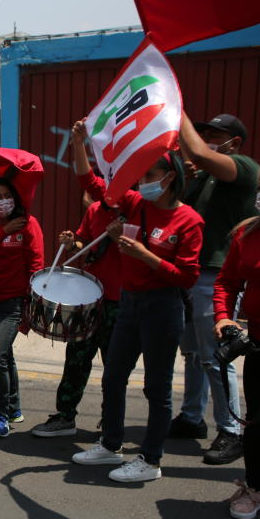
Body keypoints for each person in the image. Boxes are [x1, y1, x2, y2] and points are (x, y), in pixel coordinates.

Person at [73, 152, 203, 482]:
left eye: (148, 176)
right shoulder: (136, 205)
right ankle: (110, 444)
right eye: (141, 177)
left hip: (162, 307)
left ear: (169, 177)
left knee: (156, 388)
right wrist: (77, 142)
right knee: (113, 376)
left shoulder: (189, 221)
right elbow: (91, 182)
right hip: (130, 303)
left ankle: (150, 459)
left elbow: (187, 277)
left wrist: (144, 255)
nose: (142, 183)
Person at [170, 113, 259, 465]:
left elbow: (200, 153)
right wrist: (185, 178)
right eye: (204, 132)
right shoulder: (202, 176)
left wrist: (177, 113)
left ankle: (231, 430)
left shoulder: (244, 167)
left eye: (214, 134)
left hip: (216, 275)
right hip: (191, 274)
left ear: (234, 143)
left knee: (216, 354)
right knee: (193, 353)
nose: (205, 138)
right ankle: (192, 417)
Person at [32, 120, 122, 437]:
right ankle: (65, 416)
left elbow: (85, 175)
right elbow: (85, 244)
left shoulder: (133, 208)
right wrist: (74, 243)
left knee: (115, 368)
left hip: (119, 302)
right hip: (91, 300)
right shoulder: (96, 210)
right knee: (76, 360)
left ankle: (112, 420)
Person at [213, 159, 260, 519]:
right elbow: (227, 282)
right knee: (259, 425)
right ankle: (255, 489)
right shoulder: (246, 234)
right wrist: (223, 316)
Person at [0, 177, 44, 437]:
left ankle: (1, 414)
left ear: (15, 198)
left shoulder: (28, 224)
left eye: (6, 195)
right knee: (5, 357)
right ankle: (14, 407)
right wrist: (3, 232)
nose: (1, 201)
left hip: (13, 303)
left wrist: (31, 304)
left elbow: (37, 264)